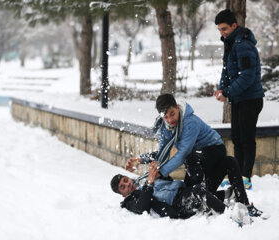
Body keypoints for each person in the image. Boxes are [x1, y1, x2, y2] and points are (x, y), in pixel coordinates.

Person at [124, 94, 263, 217]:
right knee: (228, 163)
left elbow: (182, 153)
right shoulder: (165, 127)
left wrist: (161, 172)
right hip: (197, 158)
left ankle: (240, 206)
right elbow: (163, 153)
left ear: (177, 107)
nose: (170, 119)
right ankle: (234, 201)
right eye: (166, 116)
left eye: (172, 113)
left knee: (190, 159)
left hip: (213, 149)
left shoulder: (190, 122)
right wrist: (142, 159)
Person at [214, 9, 264, 190]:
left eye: (224, 29)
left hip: (250, 99)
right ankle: (238, 176)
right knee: (236, 138)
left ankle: (245, 177)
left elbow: (247, 76)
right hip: (239, 98)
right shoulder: (231, 42)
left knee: (246, 139)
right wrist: (222, 88)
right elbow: (227, 70)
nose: (222, 33)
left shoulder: (243, 44)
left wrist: (227, 93)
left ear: (234, 25)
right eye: (219, 30)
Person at [111, 161, 239, 220]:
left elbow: (169, 181)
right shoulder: (130, 202)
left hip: (182, 190)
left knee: (192, 162)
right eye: (123, 187)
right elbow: (142, 207)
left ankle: (226, 195)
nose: (127, 185)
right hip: (177, 204)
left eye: (126, 180)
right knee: (197, 190)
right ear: (122, 194)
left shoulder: (142, 182)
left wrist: (159, 173)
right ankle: (229, 214)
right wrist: (150, 183)